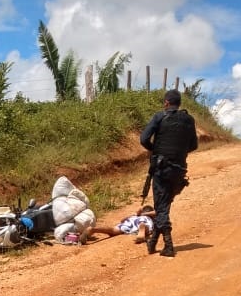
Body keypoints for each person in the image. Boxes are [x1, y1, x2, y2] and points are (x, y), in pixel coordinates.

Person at [139, 88, 199, 257]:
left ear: (166, 102)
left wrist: (155, 150)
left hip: (161, 168)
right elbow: (194, 146)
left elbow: (143, 139)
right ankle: (152, 243)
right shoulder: (189, 119)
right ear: (179, 103)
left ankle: (169, 245)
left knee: (161, 206)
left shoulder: (160, 117)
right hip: (179, 170)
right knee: (163, 205)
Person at [79, 205, 155, 244]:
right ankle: (142, 228)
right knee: (146, 228)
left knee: (113, 230)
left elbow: (122, 220)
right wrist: (144, 214)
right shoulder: (148, 218)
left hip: (129, 222)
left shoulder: (134, 216)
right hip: (143, 221)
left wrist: (136, 213)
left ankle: (94, 229)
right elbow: (157, 212)